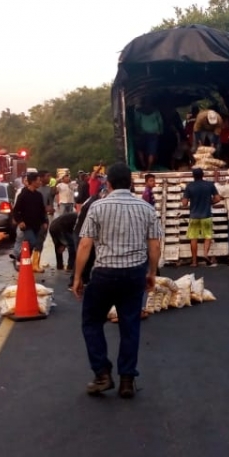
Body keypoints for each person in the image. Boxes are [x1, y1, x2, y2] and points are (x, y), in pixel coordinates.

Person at [70, 162, 162, 399]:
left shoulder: (98, 208)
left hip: (104, 274)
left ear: (107, 183)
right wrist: (151, 273)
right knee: (130, 326)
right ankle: (127, 380)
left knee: (91, 322)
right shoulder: (146, 208)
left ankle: (102, 373)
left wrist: (78, 277)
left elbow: (85, 245)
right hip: (133, 274)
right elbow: (154, 246)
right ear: (131, 183)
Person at [11, 171, 49, 272]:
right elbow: (15, 210)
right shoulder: (23, 195)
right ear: (32, 182)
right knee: (32, 242)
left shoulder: (38, 195)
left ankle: (27, 263)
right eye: (38, 180)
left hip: (37, 225)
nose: (40, 182)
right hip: (27, 226)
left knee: (33, 244)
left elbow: (42, 210)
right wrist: (20, 221)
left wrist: (44, 221)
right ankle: (18, 257)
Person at [182, 168, 220, 267]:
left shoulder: (189, 186)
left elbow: (185, 203)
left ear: (193, 176)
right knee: (207, 237)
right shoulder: (209, 185)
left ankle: (194, 262)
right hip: (206, 215)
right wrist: (209, 202)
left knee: (193, 238)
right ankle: (205, 255)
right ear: (203, 175)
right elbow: (218, 198)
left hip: (194, 216)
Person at [135, 103, 164, 170]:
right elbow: (160, 122)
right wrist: (160, 131)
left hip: (142, 133)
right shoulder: (155, 111)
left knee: (140, 149)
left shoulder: (139, 111)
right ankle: (149, 168)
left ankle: (143, 163)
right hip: (153, 133)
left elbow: (137, 122)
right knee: (152, 152)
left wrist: (138, 131)